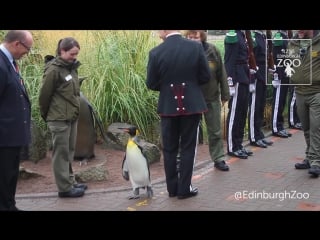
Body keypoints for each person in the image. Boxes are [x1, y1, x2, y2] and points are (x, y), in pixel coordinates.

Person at [146, 30, 210, 199]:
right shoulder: (195, 48)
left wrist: (167, 87)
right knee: (188, 148)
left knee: (169, 149)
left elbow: (151, 83)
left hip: (168, 106)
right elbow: (205, 76)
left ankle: (172, 189)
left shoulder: (155, 52)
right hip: (192, 105)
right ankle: (184, 189)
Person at [39, 37, 87, 198]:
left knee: (69, 151)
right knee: (61, 153)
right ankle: (64, 188)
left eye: (76, 54)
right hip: (58, 119)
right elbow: (44, 96)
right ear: (62, 51)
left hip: (70, 117)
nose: (75, 57)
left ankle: (70, 181)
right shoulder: (53, 70)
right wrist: (47, 115)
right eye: (72, 53)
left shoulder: (71, 68)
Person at [185, 30, 230, 171]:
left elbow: (221, 73)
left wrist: (225, 94)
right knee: (189, 132)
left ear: (202, 37)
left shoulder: (212, 50)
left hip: (211, 97)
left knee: (215, 131)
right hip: (192, 99)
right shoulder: (184, 52)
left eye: (195, 37)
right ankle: (187, 161)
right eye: (190, 37)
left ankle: (218, 158)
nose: (193, 40)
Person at [0, 30, 33, 211]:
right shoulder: (0, 64)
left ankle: (9, 205)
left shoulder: (9, 63)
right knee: (4, 177)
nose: (26, 53)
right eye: (27, 49)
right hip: (3, 136)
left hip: (11, 136)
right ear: (17, 44)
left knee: (10, 175)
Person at [290, 30, 320, 177]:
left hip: (317, 92)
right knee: (306, 128)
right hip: (299, 92)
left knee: (316, 128)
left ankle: (316, 162)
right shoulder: (293, 43)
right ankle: (309, 157)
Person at [224, 30, 253, 159]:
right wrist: (230, 82)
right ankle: (232, 147)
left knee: (242, 113)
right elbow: (229, 60)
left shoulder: (242, 34)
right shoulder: (233, 35)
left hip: (244, 76)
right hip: (237, 78)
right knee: (235, 114)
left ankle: (239, 144)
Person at [248, 30, 274, 148]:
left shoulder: (263, 37)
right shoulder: (254, 37)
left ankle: (259, 134)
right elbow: (251, 58)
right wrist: (253, 79)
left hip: (263, 78)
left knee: (260, 107)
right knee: (255, 108)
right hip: (257, 77)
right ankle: (254, 136)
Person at [271, 30, 292, 138]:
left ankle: (280, 126)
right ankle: (276, 127)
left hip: (285, 73)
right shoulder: (279, 37)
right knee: (278, 102)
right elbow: (275, 57)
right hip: (279, 74)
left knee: (282, 100)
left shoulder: (285, 36)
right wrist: (276, 75)